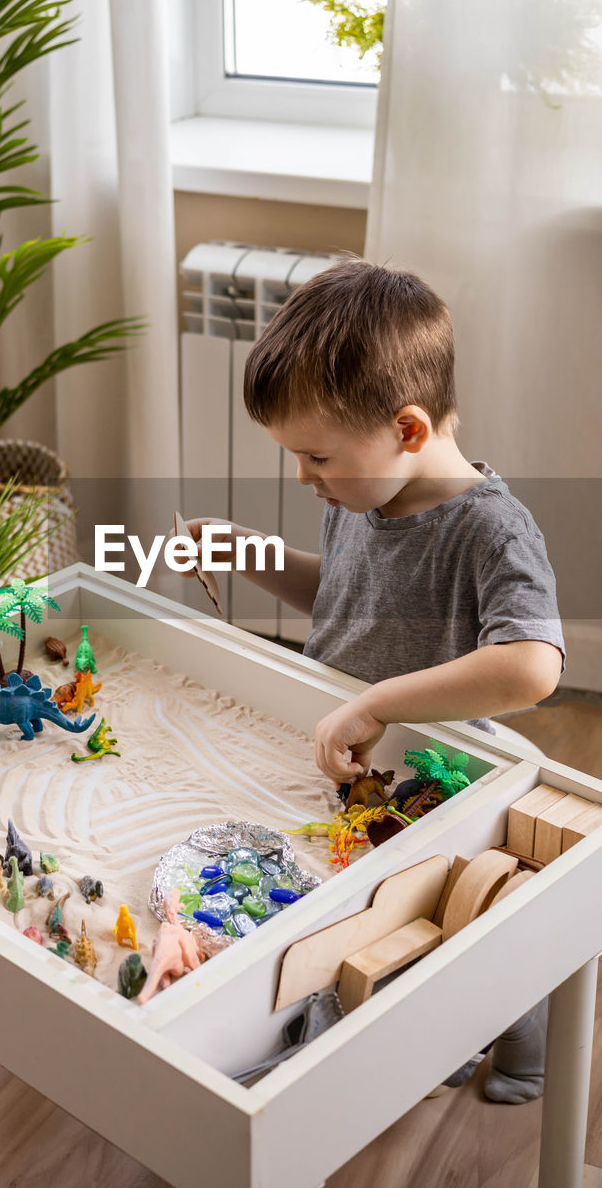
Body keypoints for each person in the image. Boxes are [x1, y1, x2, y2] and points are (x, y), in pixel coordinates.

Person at [186, 257, 564, 1103]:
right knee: (391, 913)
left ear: (408, 430)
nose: (302, 476)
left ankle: (524, 1046)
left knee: (480, 920)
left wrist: (375, 701)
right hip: (361, 757)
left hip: (439, 767)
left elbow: (531, 666)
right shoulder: (362, 495)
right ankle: (439, 1033)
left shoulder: (492, 532)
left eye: (314, 455)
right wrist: (250, 553)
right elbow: (346, 596)